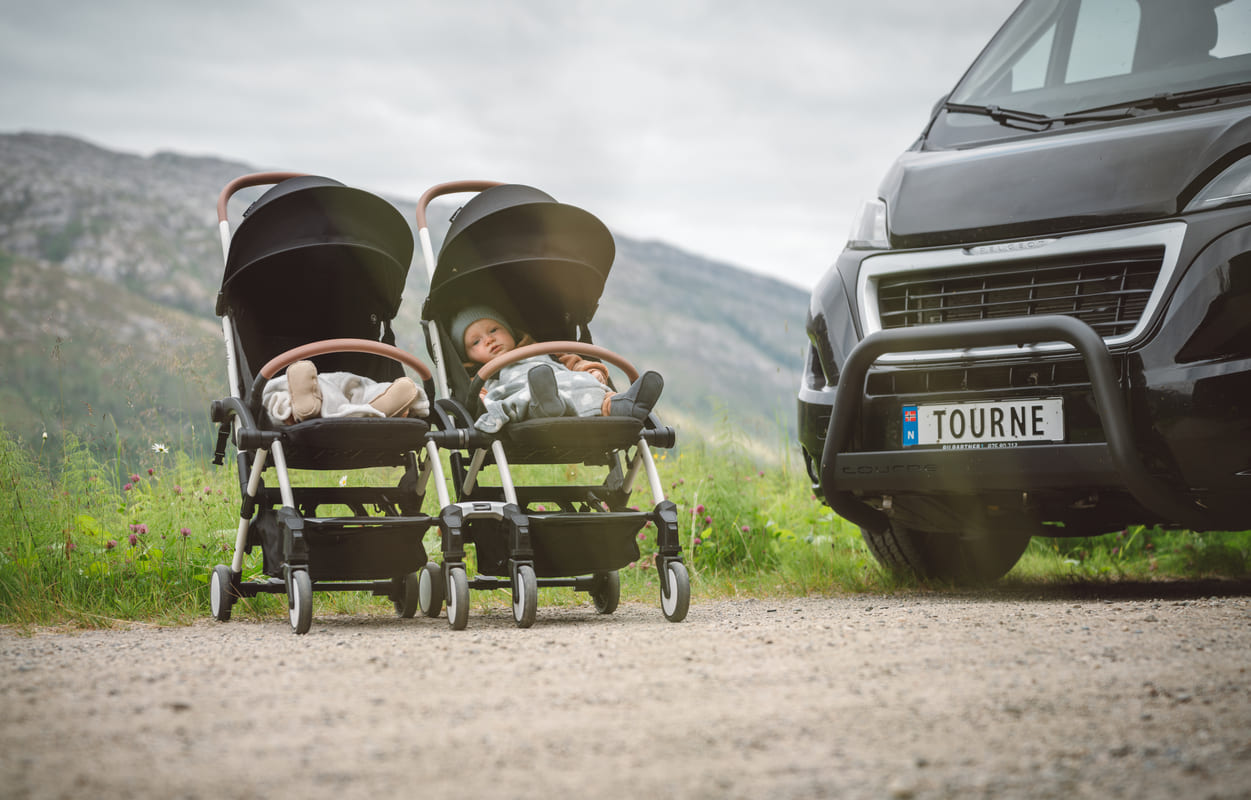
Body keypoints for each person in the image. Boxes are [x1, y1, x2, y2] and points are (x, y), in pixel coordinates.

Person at [450, 305, 663, 433]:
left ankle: (625, 406)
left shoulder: (545, 351)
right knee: (529, 396)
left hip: (573, 386)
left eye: (494, 330)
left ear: (510, 330)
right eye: (476, 342)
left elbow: (576, 363)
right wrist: (484, 402)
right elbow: (480, 400)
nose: (489, 340)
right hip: (531, 398)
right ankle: (546, 404)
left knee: (596, 391)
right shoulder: (482, 376)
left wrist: (593, 372)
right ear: (467, 356)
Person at [262, 360, 430, 426]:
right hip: (311, 386)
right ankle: (304, 408)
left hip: (356, 392)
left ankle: (390, 405)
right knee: (295, 388)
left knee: (374, 390)